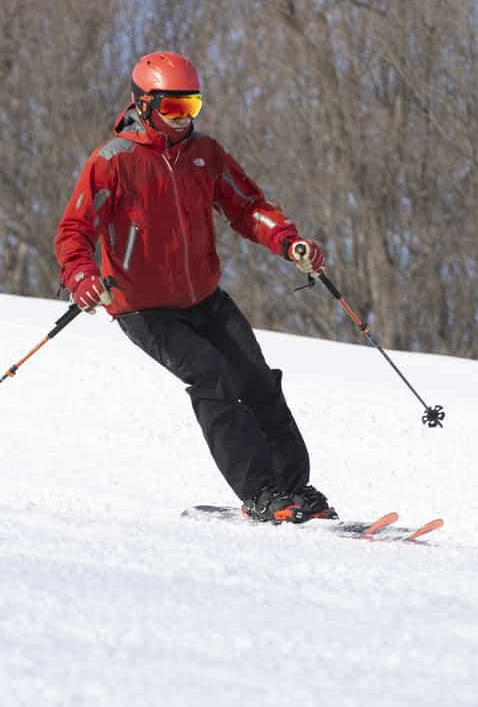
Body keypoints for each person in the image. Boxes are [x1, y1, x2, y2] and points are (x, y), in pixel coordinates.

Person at [54, 50, 335, 523]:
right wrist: (81, 277)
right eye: (173, 109)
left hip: (204, 299)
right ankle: (261, 493)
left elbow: (247, 207)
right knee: (211, 376)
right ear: (143, 104)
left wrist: (289, 242)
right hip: (144, 308)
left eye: (193, 107)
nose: (184, 120)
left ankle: (295, 489)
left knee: (257, 379)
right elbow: (73, 233)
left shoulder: (206, 156)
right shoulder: (114, 162)